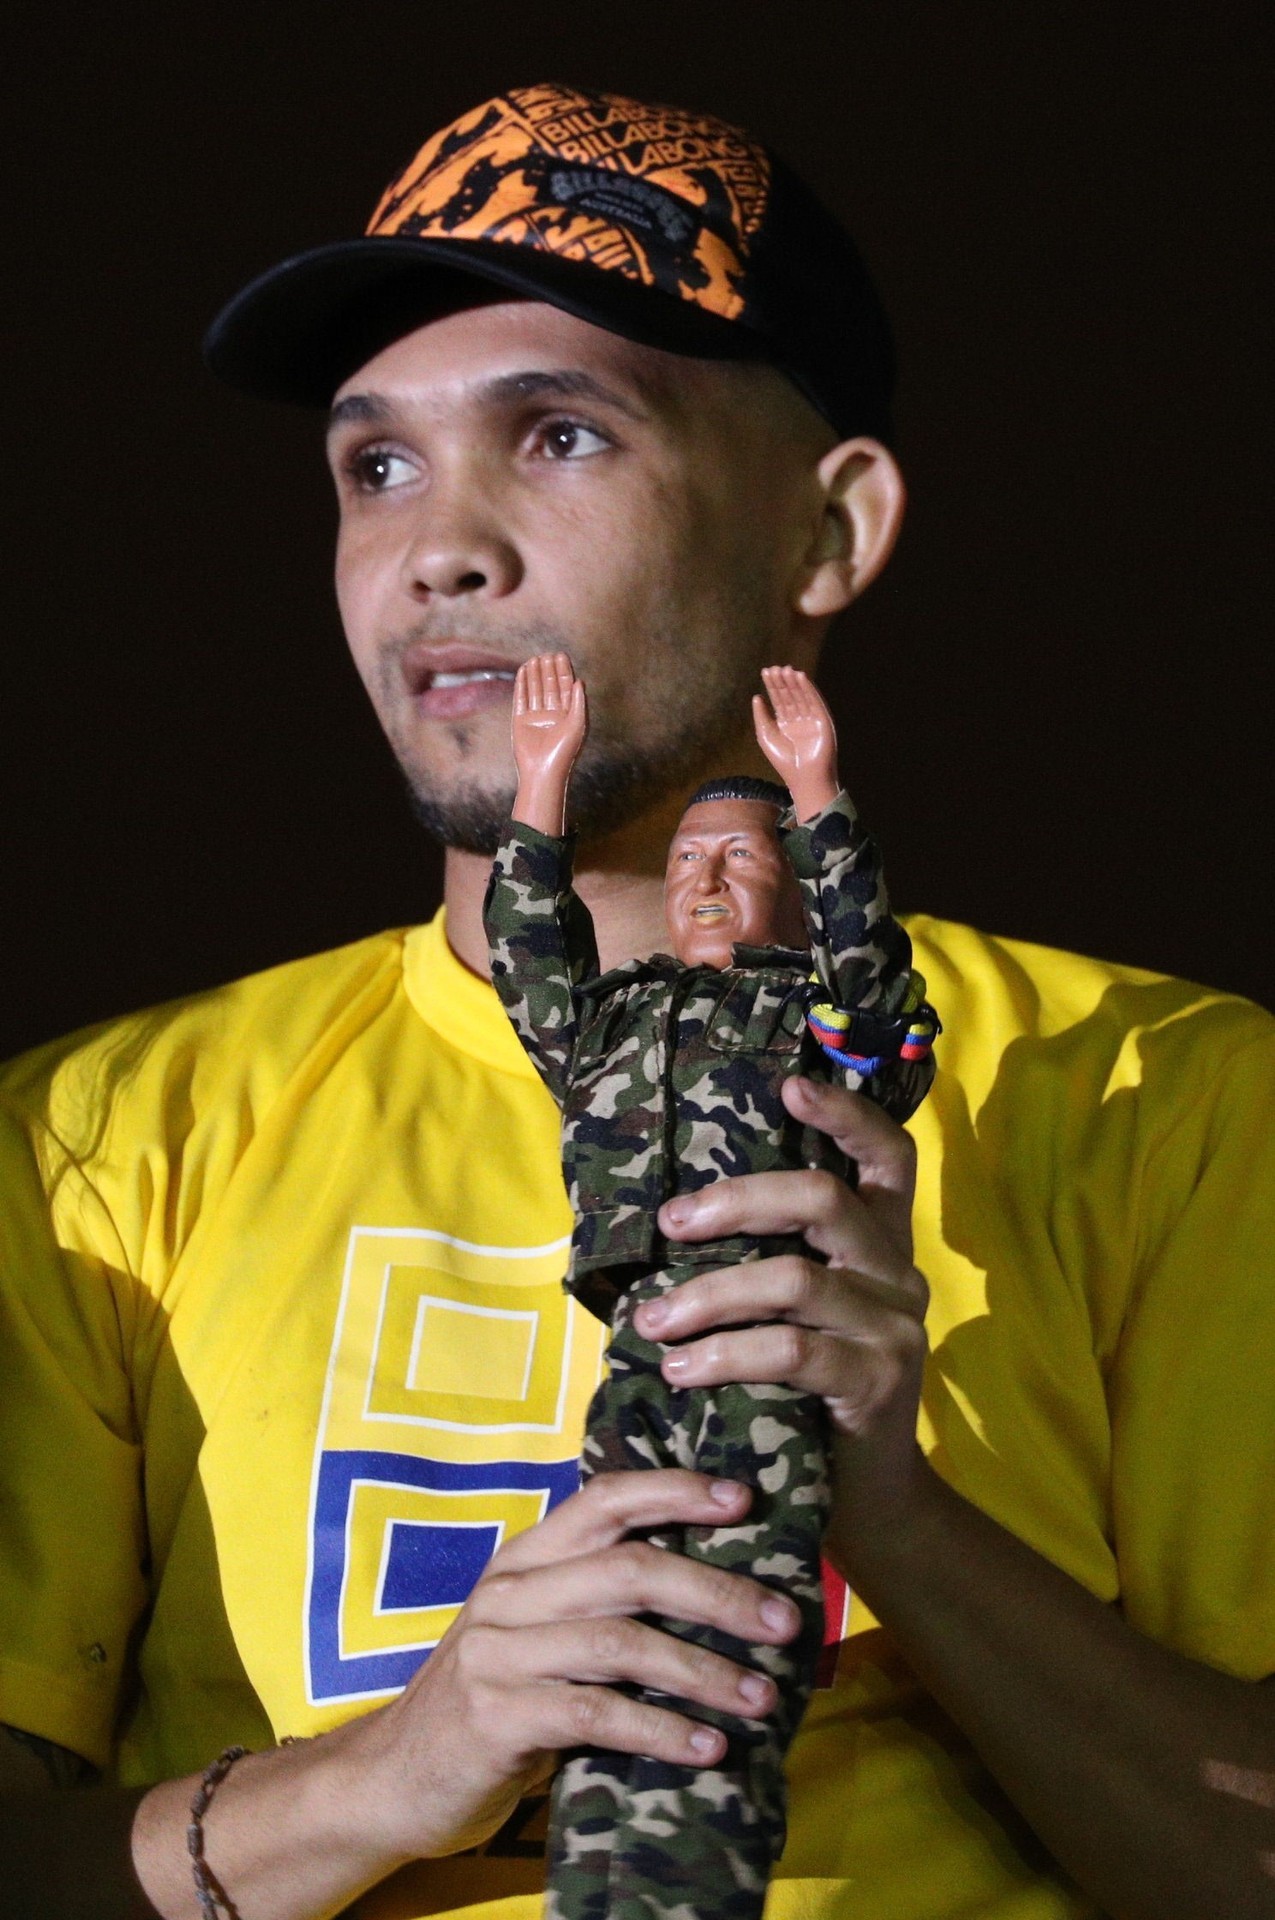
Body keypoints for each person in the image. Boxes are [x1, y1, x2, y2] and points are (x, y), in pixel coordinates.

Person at [0, 80, 1273, 1920]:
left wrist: (898, 1520)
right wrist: (415, 1761)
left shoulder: (1158, 1092)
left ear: (830, 534)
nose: (442, 547)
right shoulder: (95, 1146)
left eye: (566, 438)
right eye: (377, 467)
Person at [484, 655, 936, 1920]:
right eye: (686, 860)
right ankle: (609, 1880)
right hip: (651, 1339)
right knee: (613, 1624)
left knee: (733, 1619)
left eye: (741, 856)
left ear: (791, 886)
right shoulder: (612, 1017)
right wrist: (541, 786)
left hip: (774, 1343)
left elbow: (883, 997)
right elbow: (527, 949)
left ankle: (694, 1886)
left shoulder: (823, 1020)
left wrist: (821, 800)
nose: (706, 877)